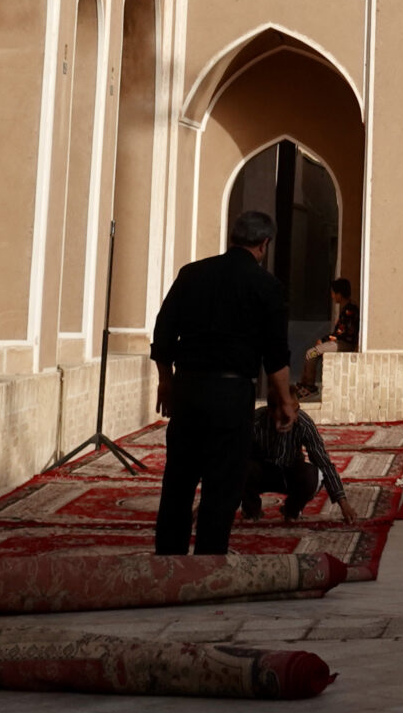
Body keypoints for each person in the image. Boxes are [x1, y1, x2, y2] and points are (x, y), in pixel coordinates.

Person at [151, 209, 297, 555]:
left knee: (179, 480)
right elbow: (275, 356)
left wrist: (166, 383)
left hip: (188, 388)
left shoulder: (192, 274)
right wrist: (284, 403)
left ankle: (167, 560)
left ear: (233, 237)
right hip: (231, 395)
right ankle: (208, 560)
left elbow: (164, 332)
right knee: (223, 482)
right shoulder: (266, 286)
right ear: (265, 244)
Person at [300, 277, 357, 399]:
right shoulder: (346, 310)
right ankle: (305, 384)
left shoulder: (349, 311)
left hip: (344, 343)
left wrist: (324, 340)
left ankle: (309, 387)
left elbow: (341, 333)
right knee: (312, 352)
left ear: (339, 294)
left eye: (333, 293)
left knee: (311, 353)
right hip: (340, 342)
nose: (332, 296)